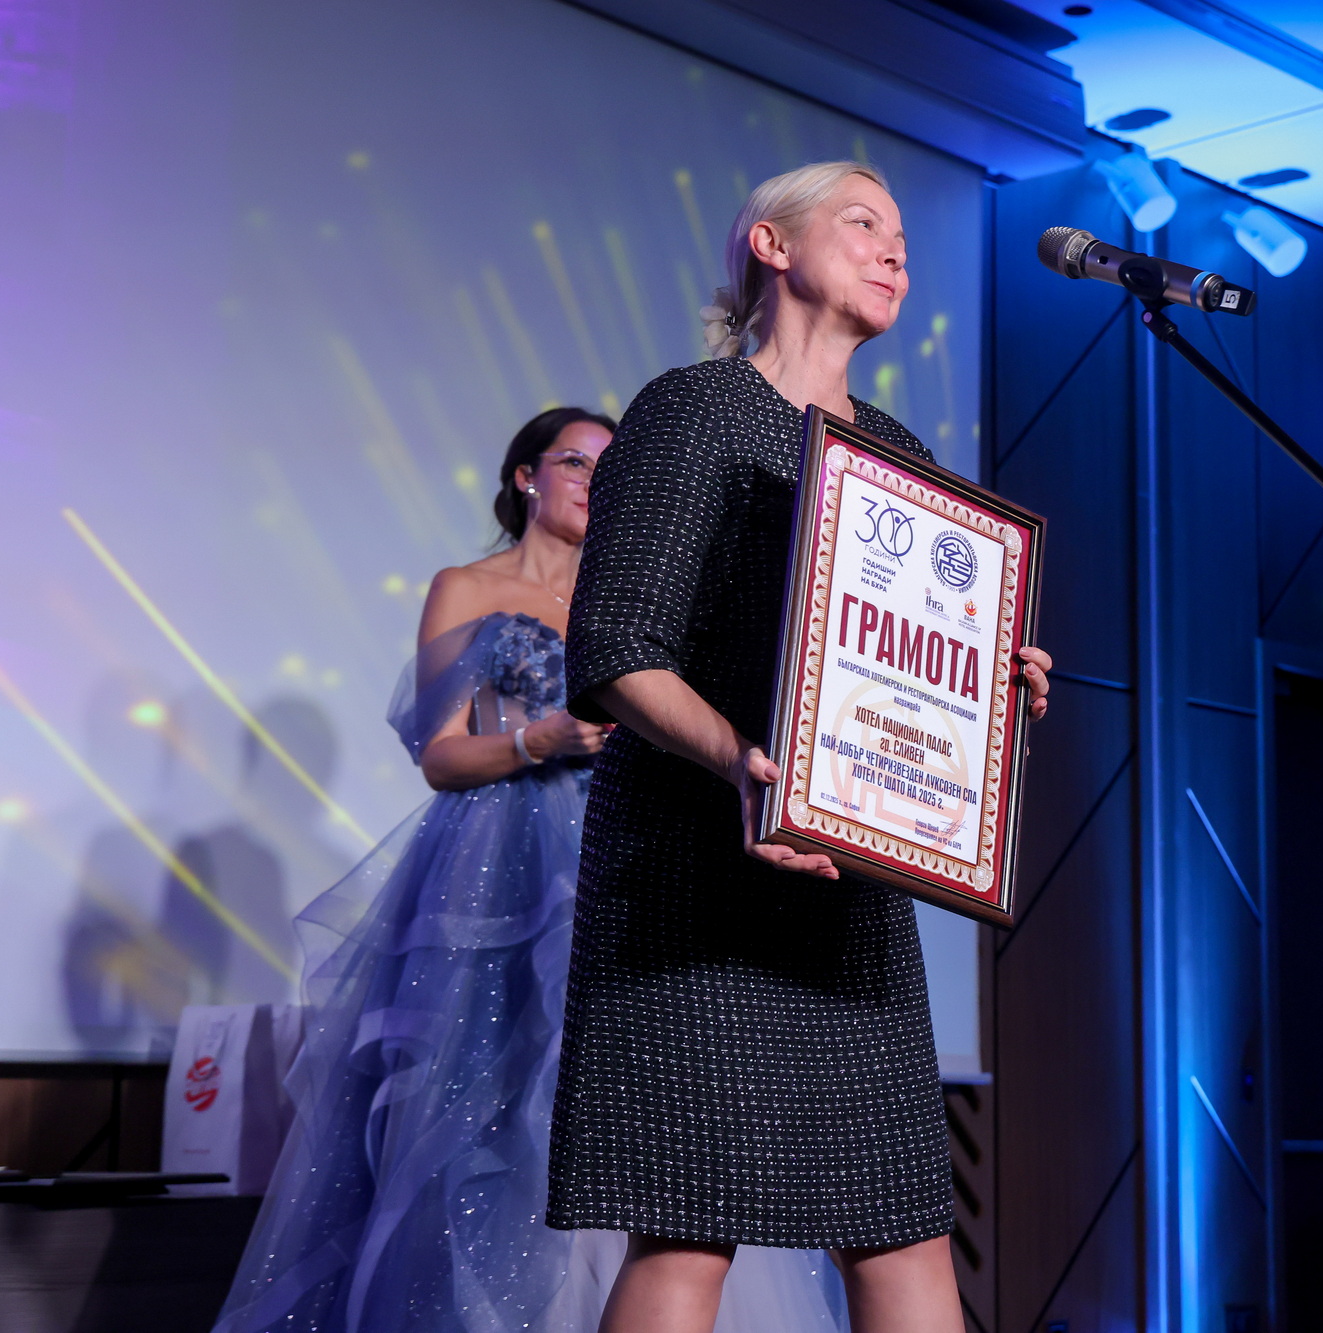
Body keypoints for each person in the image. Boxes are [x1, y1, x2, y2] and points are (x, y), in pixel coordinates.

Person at [549, 162, 1054, 1333]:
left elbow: (895, 660)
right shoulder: (692, 408)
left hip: (843, 899)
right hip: (691, 878)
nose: (895, 249)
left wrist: (983, 687)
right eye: (861, 221)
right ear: (771, 247)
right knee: (685, 1229)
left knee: (904, 1231)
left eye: (903, 235)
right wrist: (740, 762)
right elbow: (616, 645)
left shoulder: (899, 450)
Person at [212, 408, 848, 1333]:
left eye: (610, 469)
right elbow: (439, 755)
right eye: (577, 462)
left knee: (634, 1098)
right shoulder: (468, 586)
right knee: (492, 1097)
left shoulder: (634, 596)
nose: (594, 482)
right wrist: (534, 739)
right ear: (526, 475)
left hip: (625, 854)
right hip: (498, 863)